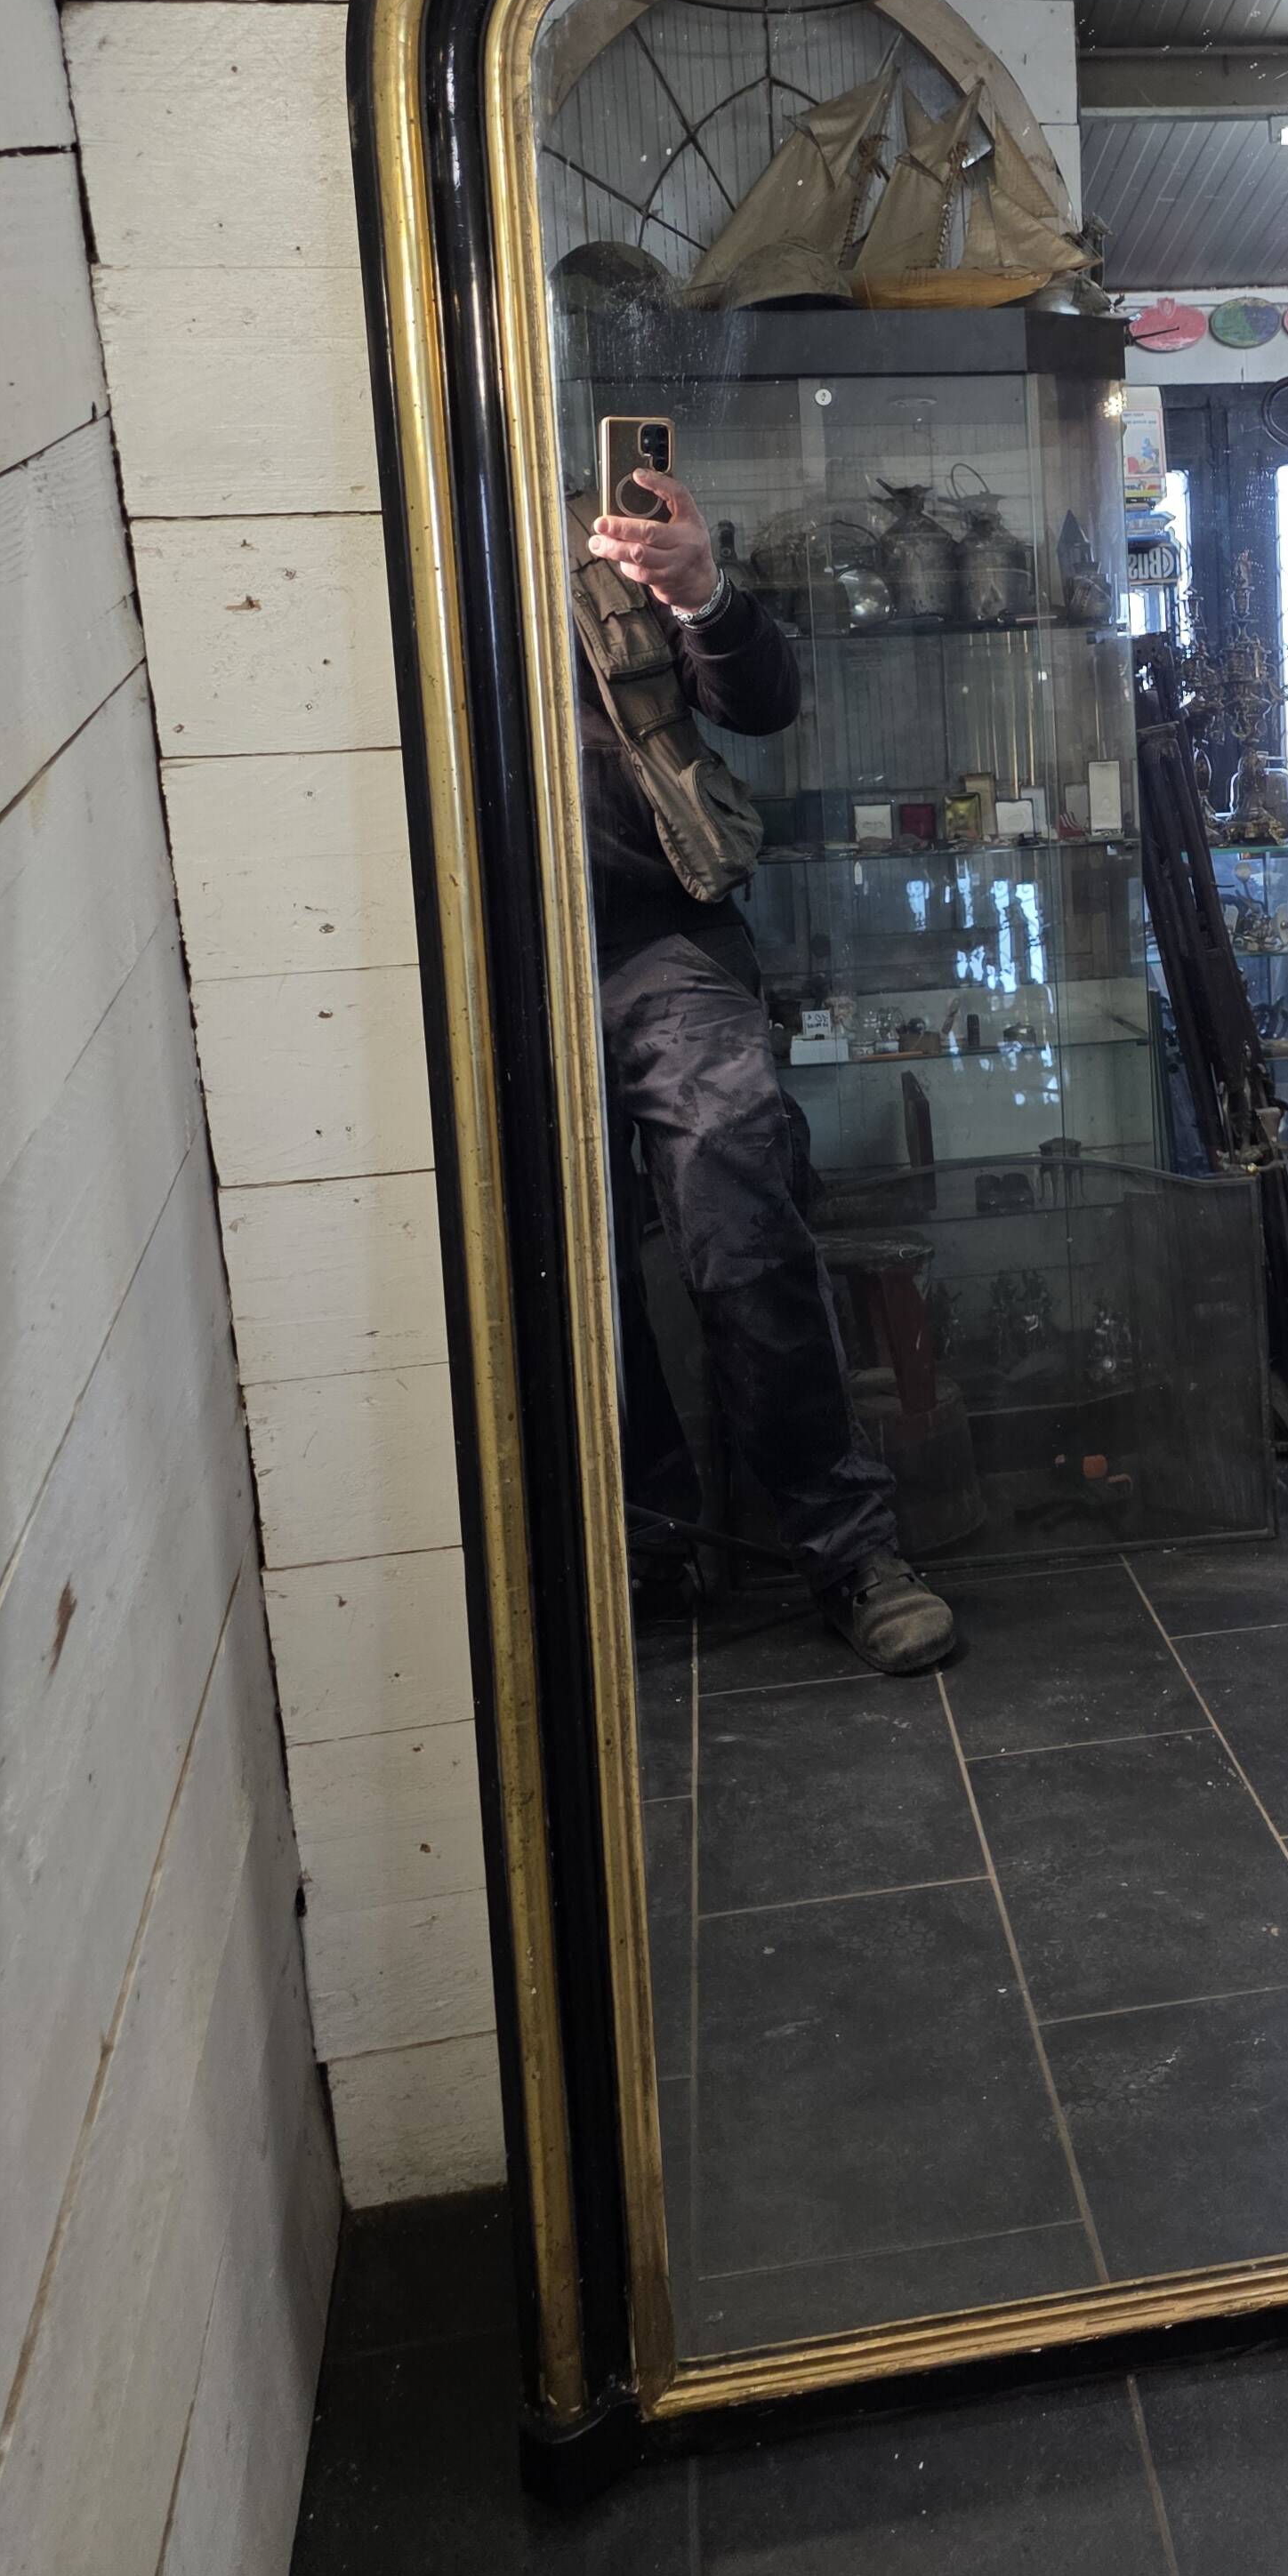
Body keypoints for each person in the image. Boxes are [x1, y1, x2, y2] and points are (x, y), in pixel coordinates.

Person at [579, 464, 955, 1673]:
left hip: (656, 935)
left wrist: (702, 595)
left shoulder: (605, 535)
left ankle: (849, 1550)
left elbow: (766, 701)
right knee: (563, 1261)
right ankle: (647, 1539)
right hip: (488, 955)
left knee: (744, 1225)